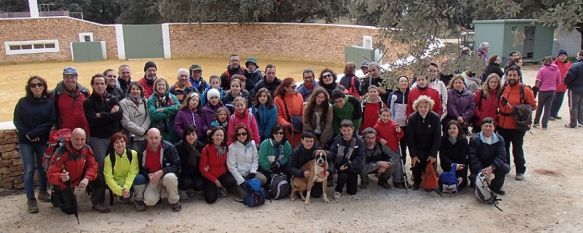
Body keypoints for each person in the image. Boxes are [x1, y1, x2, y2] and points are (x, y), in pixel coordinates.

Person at [13, 76, 55, 213]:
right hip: (26, 141)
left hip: (41, 140)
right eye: (33, 85)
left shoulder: (49, 104)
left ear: (44, 87)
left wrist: (35, 134)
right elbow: (17, 121)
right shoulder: (22, 103)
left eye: (39, 84)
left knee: (43, 167)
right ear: (29, 88)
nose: (36, 87)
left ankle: (43, 192)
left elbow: (50, 122)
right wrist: (29, 135)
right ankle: (31, 199)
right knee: (29, 169)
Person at [47, 128, 109, 213]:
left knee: (99, 177)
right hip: (66, 182)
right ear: (71, 138)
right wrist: (60, 177)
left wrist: (87, 178)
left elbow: (93, 165)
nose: (79, 142)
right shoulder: (61, 152)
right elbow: (50, 174)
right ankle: (56, 196)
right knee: (70, 210)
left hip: (80, 178)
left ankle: (97, 202)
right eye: (76, 139)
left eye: (82, 139)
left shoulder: (87, 149)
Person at [497, 66, 536, 180]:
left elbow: (533, 106)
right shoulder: (503, 88)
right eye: (510, 75)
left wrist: (520, 110)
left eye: (514, 75)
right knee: (504, 147)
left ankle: (520, 170)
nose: (512, 77)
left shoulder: (525, 90)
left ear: (519, 76)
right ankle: (506, 166)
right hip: (502, 124)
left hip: (517, 125)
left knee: (517, 148)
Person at [135, 128, 181, 211]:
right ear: (147, 138)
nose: (154, 141)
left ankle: (174, 201)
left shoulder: (169, 147)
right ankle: (161, 194)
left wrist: (162, 171)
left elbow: (177, 166)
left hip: (166, 176)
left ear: (160, 137)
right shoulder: (141, 150)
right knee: (149, 201)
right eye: (151, 138)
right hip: (153, 178)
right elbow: (139, 168)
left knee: (170, 177)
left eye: (156, 138)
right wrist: (147, 174)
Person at [84, 73, 123, 171]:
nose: (100, 86)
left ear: (106, 85)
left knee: (117, 162)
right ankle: (104, 185)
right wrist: (110, 114)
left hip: (114, 137)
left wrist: (100, 115)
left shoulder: (113, 98)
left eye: (102, 83)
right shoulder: (88, 102)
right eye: (96, 84)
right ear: (92, 85)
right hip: (98, 139)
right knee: (102, 164)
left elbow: (119, 115)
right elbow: (93, 121)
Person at [406, 95, 442, 190]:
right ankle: (417, 181)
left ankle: (430, 181)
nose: (423, 109)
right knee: (416, 164)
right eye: (421, 107)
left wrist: (433, 154)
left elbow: (437, 137)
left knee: (430, 167)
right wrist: (413, 155)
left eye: (425, 107)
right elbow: (410, 139)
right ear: (417, 107)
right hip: (417, 147)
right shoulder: (412, 118)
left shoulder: (435, 118)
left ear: (429, 107)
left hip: (430, 148)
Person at [103, 132, 145, 210]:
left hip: (130, 180)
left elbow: (133, 172)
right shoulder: (108, 159)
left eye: (122, 141)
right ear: (113, 145)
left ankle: (138, 200)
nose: (120, 144)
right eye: (116, 142)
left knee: (140, 178)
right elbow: (108, 178)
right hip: (118, 182)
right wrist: (120, 190)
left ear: (126, 143)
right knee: (123, 198)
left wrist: (126, 187)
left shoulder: (133, 154)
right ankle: (119, 195)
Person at [469, 117, 510, 195]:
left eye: (490, 126)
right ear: (481, 127)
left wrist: (492, 167)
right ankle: (475, 180)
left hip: (492, 165)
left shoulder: (500, 139)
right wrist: (481, 170)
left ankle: (496, 187)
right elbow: (472, 157)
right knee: (479, 188)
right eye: (486, 126)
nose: (488, 128)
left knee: (505, 168)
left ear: (494, 128)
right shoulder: (475, 139)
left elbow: (501, 156)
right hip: (480, 166)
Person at [227, 125, 267, 198]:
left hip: (250, 172)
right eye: (239, 134)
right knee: (245, 196)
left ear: (247, 134)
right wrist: (241, 181)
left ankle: (252, 186)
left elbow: (255, 159)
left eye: (244, 133)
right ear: (236, 135)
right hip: (239, 174)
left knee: (263, 179)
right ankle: (234, 188)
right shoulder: (232, 147)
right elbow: (231, 166)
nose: (241, 136)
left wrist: (252, 172)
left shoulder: (252, 143)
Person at [199, 127, 237, 204]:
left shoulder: (225, 148)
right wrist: (215, 181)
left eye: (221, 135)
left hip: (222, 174)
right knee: (211, 199)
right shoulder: (206, 149)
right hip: (211, 176)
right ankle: (214, 187)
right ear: (212, 136)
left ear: (223, 137)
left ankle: (222, 187)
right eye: (217, 135)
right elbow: (202, 170)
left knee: (231, 181)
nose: (219, 137)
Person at [328, 120, 365, 199]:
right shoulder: (337, 140)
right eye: (344, 130)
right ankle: (338, 189)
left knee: (352, 192)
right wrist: (335, 168)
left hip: (352, 166)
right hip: (340, 166)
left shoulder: (358, 141)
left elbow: (361, 156)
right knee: (343, 176)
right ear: (340, 130)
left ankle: (351, 180)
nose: (347, 133)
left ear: (353, 129)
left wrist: (350, 164)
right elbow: (332, 153)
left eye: (349, 130)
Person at [288, 132, 326, 198]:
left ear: (314, 141)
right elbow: (290, 168)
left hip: (315, 176)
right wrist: (302, 173)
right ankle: (296, 190)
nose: (309, 143)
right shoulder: (296, 151)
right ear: (302, 141)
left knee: (316, 194)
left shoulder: (318, 149)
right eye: (307, 141)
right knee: (305, 191)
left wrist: (329, 171)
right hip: (301, 177)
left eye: (311, 141)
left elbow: (329, 159)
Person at [51, 66, 90, 133]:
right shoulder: (56, 94)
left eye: (72, 77)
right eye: (67, 77)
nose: (70, 80)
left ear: (77, 78)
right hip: (64, 131)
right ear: (63, 78)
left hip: (83, 130)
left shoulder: (85, 92)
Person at [175, 126, 205, 200]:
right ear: (185, 135)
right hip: (184, 173)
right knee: (187, 182)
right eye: (188, 134)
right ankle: (183, 189)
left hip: (196, 172)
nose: (191, 137)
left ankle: (192, 188)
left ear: (197, 135)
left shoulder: (200, 145)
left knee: (200, 185)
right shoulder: (179, 146)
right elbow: (177, 163)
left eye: (193, 134)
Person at [119, 81, 150, 151]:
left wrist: (144, 129)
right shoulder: (123, 103)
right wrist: (141, 131)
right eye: (133, 89)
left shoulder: (145, 101)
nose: (135, 91)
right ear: (129, 91)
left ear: (141, 91)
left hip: (145, 138)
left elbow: (149, 117)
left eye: (138, 89)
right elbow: (125, 122)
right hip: (131, 138)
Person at [273, 78, 305, 147]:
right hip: (286, 130)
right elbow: (278, 115)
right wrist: (286, 124)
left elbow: (302, 112)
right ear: (286, 88)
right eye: (293, 87)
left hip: (298, 129)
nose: (295, 88)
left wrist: (302, 122)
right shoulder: (278, 99)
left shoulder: (299, 96)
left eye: (295, 86)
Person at [148, 78, 180, 143]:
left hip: (171, 128)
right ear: (155, 87)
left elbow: (178, 107)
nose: (161, 87)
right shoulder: (151, 99)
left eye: (163, 85)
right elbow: (153, 115)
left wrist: (164, 109)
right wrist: (170, 113)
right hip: (158, 129)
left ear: (166, 86)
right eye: (159, 85)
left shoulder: (172, 97)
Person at [439, 120, 469, 189]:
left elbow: (463, 158)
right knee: (447, 183)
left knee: (461, 185)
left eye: (454, 128)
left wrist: (460, 174)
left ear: (458, 129)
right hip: (448, 164)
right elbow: (443, 155)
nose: (452, 130)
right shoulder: (444, 139)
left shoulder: (463, 140)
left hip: (460, 165)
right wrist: (452, 165)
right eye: (450, 128)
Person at [533, 56, 560, 129]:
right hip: (552, 90)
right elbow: (559, 81)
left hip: (543, 90)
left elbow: (538, 80)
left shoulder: (542, 70)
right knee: (548, 108)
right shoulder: (557, 70)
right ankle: (544, 125)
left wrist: (536, 88)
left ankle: (536, 122)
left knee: (540, 107)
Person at [387, 76, 410, 159]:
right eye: (401, 81)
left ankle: (403, 164)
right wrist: (392, 123)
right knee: (394, 146)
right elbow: (389, 110)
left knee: (404, 147)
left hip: (407, 125)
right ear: (398, 83)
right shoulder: (393, 94)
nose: (403, 83)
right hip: (395, 124)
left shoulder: (410, 94)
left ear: (408, 83)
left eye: (405, 81)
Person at [550, 50, 571, 120]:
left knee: (559, 102)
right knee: (553, 101)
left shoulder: (568, 63)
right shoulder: (554, 63)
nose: (562, 57)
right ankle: (550, 114)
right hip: (555, 86)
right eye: (561, 56)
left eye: (564, 56)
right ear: (558, 56)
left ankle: (555, 113)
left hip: (564, 86)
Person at [565, 50, 583, 128]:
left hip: (574, 88)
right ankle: (580, 122)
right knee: (581, 105)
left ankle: (573, 123)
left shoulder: (575, 65)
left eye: (577, 55)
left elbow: (568, 77)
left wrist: (567, 82)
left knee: (573, 106)